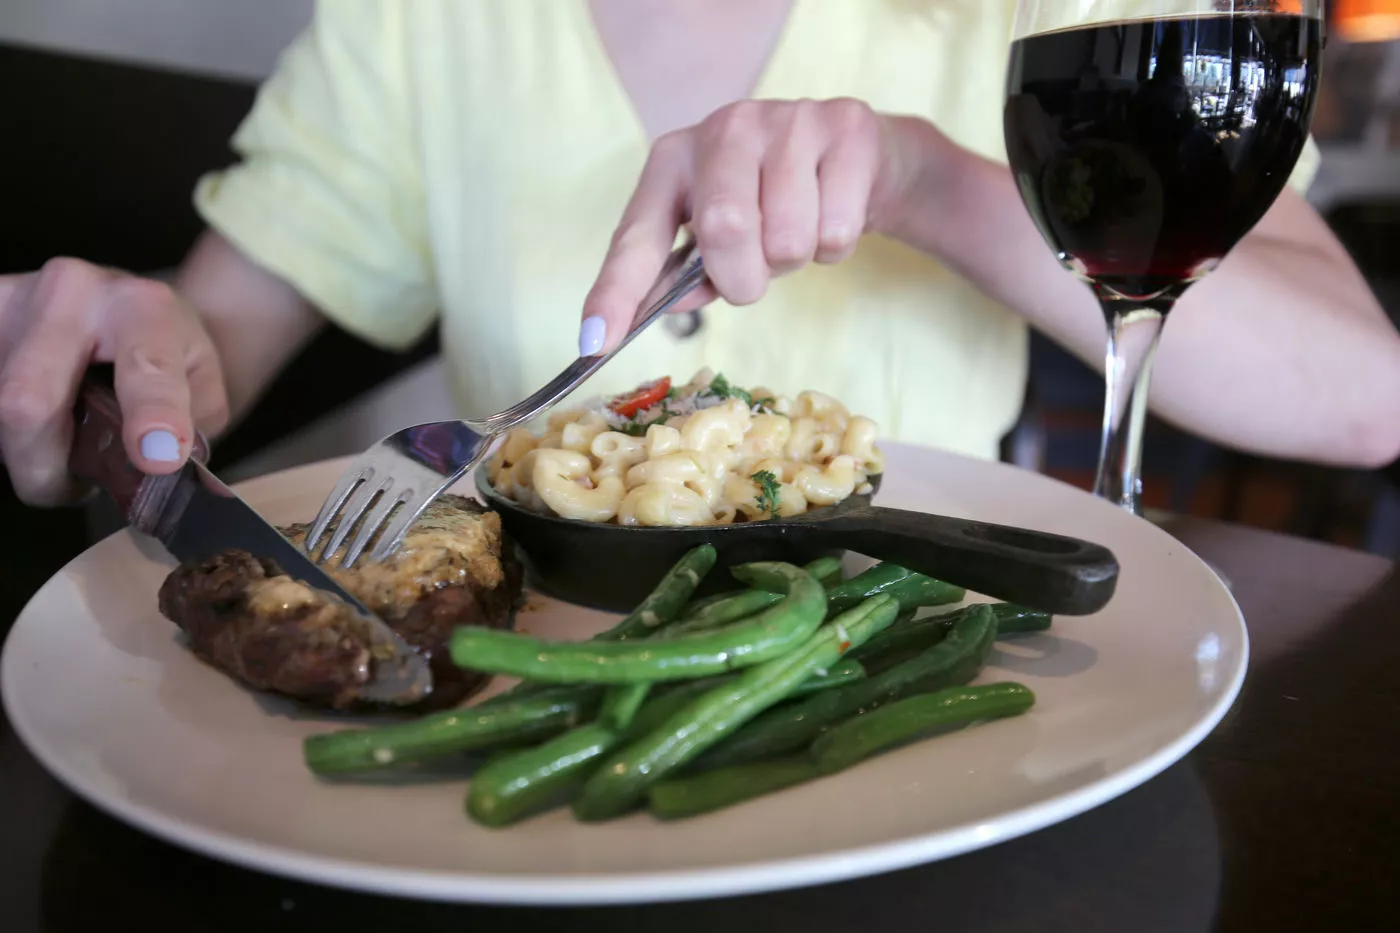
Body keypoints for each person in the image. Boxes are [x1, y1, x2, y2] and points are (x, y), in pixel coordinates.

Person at [2, 0, 1397, 509]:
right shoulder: (419, 20)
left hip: (931, 684)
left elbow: (1362, 396)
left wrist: (934, 183)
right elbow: (209, 342)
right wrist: (127, 362)